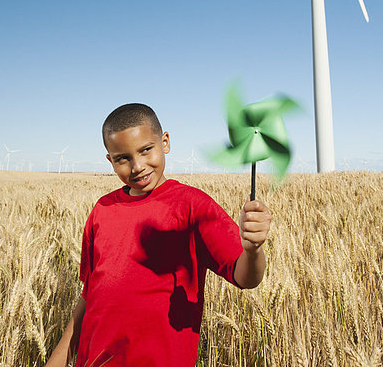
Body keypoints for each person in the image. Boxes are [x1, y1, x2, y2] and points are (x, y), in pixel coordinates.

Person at [45, 103, 272, 367]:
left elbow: (245, 277)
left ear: (164, 142)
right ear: (110, 160)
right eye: (123, 158)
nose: (137, 166)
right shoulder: (102, 210)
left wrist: (253, 249)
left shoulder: (194, 206)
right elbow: (88, 298)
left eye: (145, 150)